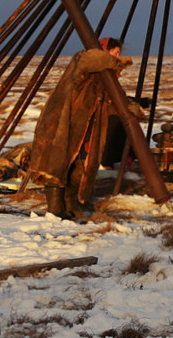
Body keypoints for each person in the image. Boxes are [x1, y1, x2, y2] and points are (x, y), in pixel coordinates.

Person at [28, 38, 134, 220]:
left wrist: (133, 106)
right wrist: (118, 63)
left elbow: (110, 103)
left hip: (85, 128)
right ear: (104, 50)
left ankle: (71, 204)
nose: (118, 56)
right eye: (115, 52)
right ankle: (55, 209)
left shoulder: (102, 78)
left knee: (79, 167)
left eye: (119, 53)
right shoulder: (83, 63)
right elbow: (91, 59)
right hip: (63, 122)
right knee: (57, 164)